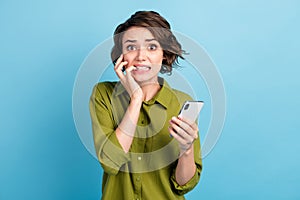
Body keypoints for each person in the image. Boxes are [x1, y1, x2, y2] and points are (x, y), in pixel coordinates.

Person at [89, 10, 202, 200]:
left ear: (164, 54)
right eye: (131, 47)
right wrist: (135, 99)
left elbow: (184, 185)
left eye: (151, 47)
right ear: (121, 56)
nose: (141, 56)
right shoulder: (103, 94)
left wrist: (187, 150)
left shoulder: (181, 101)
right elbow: (110, 162)